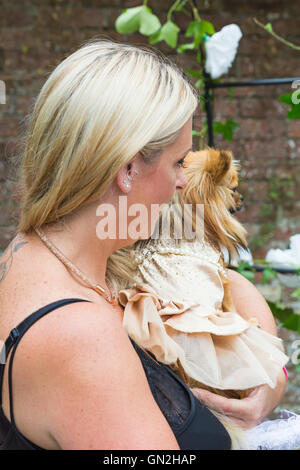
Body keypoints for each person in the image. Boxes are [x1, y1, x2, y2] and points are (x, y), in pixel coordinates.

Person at [0, 38, 286, 451]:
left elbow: (219, 279)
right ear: (128, 168)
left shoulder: (43, 253)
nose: (184, 181)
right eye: (177, 162)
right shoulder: (80, 338)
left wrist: (271, 378)